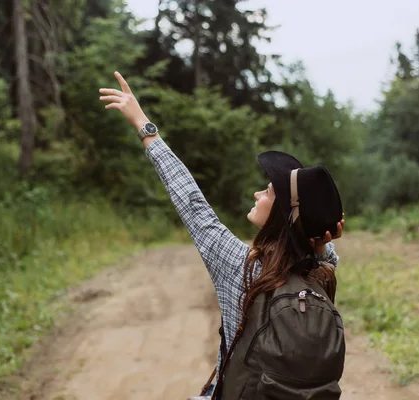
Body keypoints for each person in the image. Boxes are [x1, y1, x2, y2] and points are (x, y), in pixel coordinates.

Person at [99, 72, 346, 399]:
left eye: (269, 192)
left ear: (282, 217)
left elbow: (192, 203)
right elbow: (320, 249)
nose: (258, 193)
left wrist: (144, 125)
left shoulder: (245, 269)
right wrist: (322, 240)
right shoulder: (322, 273)